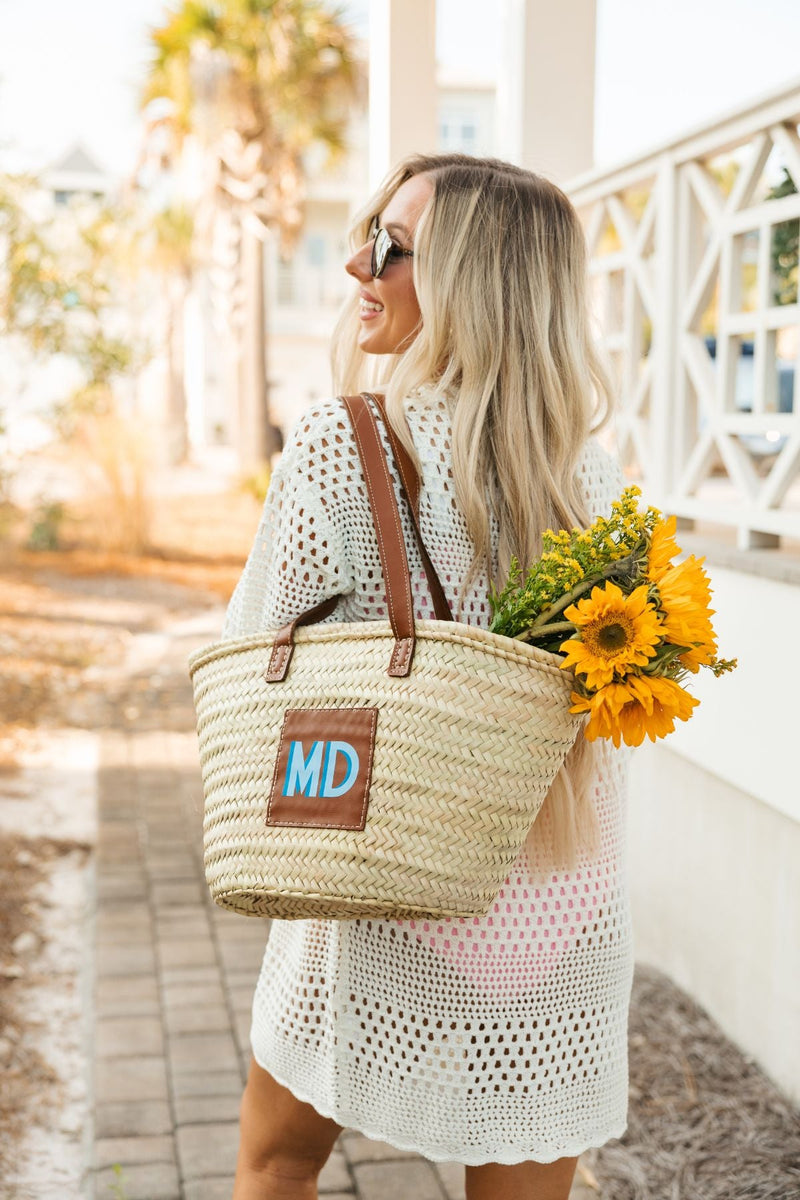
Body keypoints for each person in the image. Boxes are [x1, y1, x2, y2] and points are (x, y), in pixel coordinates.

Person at [222, 152, 632, 1200]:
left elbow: (254, 649)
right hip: (555, 904)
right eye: (370, 236)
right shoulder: (593, 480)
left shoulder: (341, 443)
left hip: (376, 871)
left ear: (472, 282)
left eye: (393, 249)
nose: (358, 266)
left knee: (277, 1162)